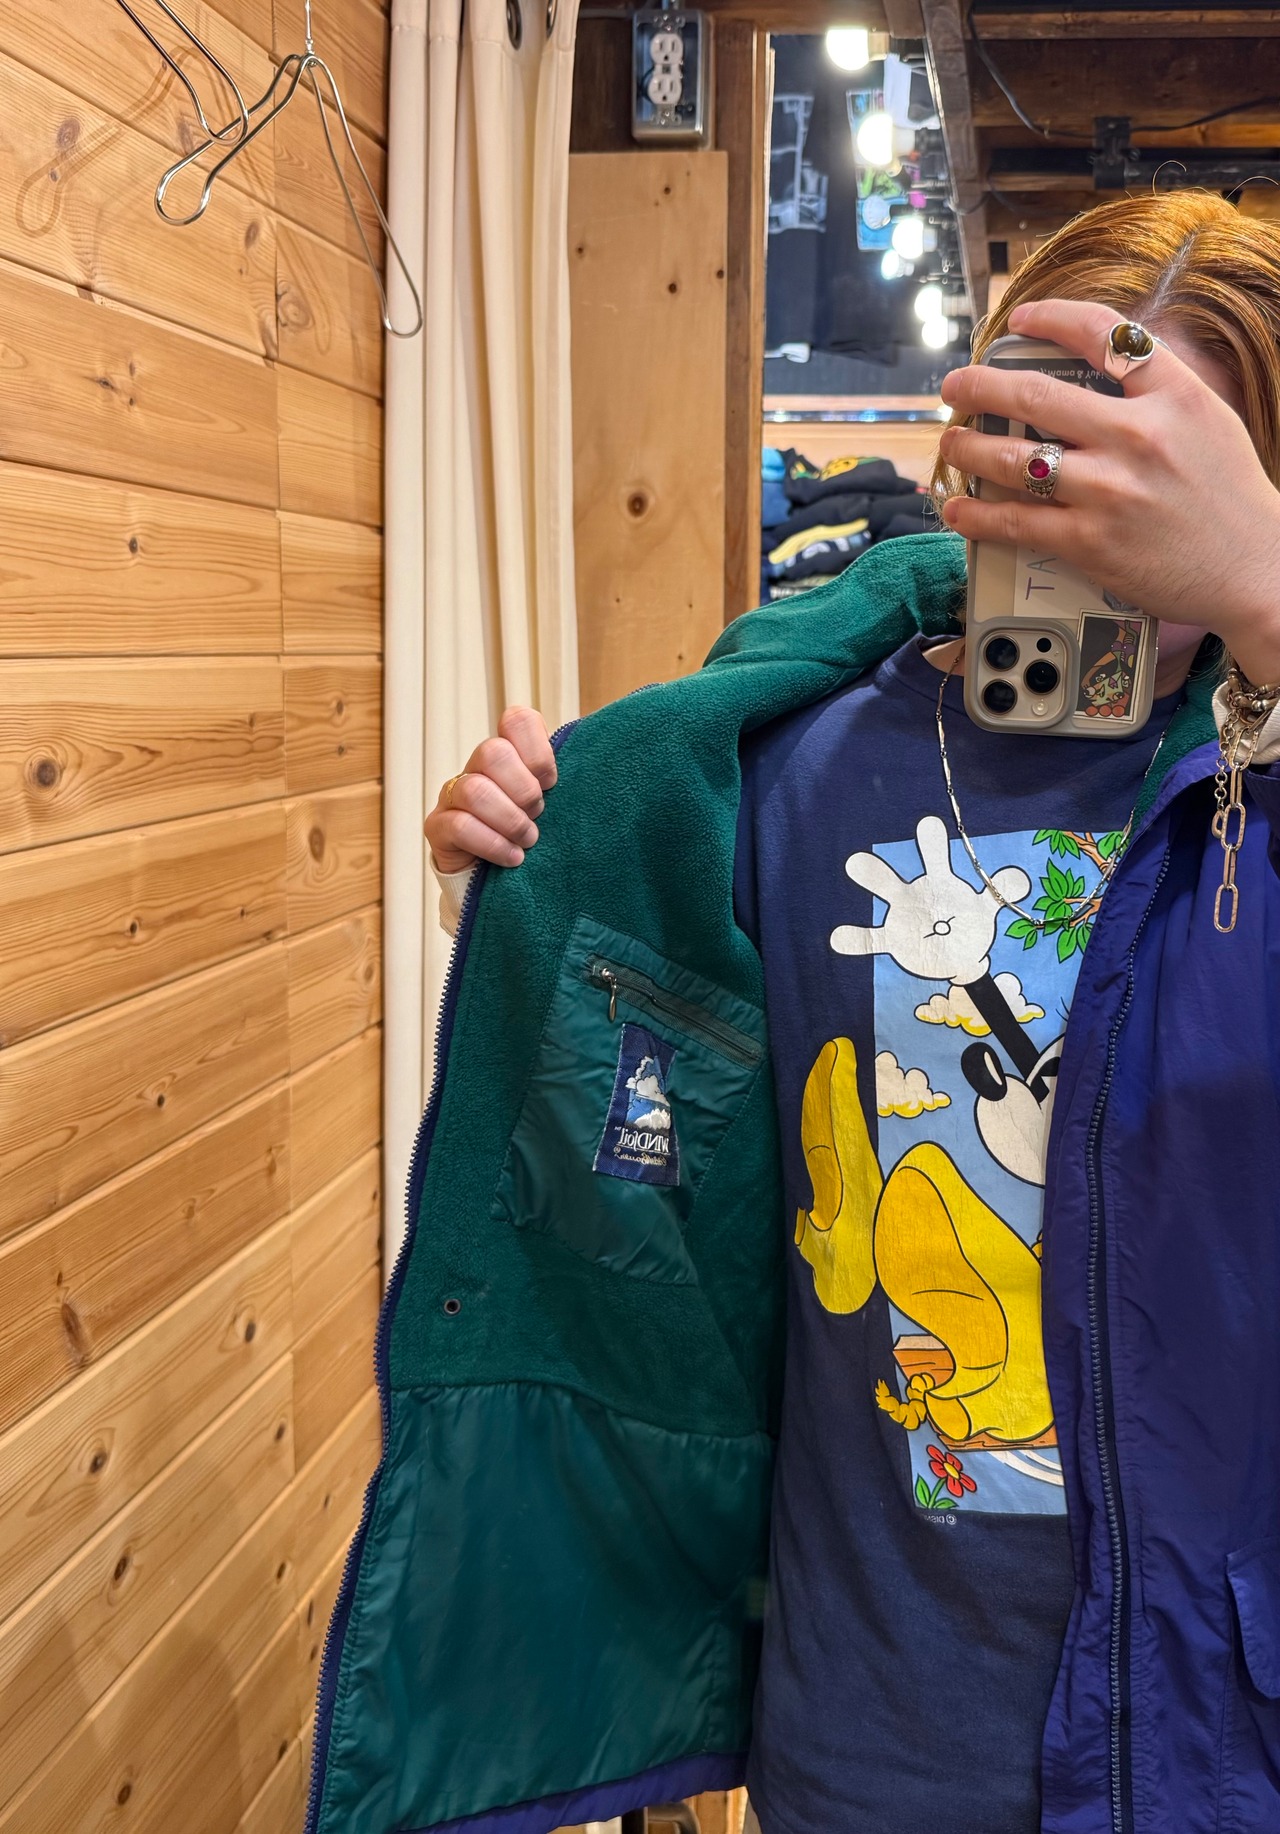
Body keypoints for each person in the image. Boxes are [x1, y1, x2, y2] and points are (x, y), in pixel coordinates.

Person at [306, 192, 1280, 1834]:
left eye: (1165, 476)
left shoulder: (1253, 778)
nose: (1094, 522)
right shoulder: (793, 756)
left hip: (1219, 1739)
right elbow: (655, 1169)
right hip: (875, 1737)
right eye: (1051, 445)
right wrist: (540, 893)